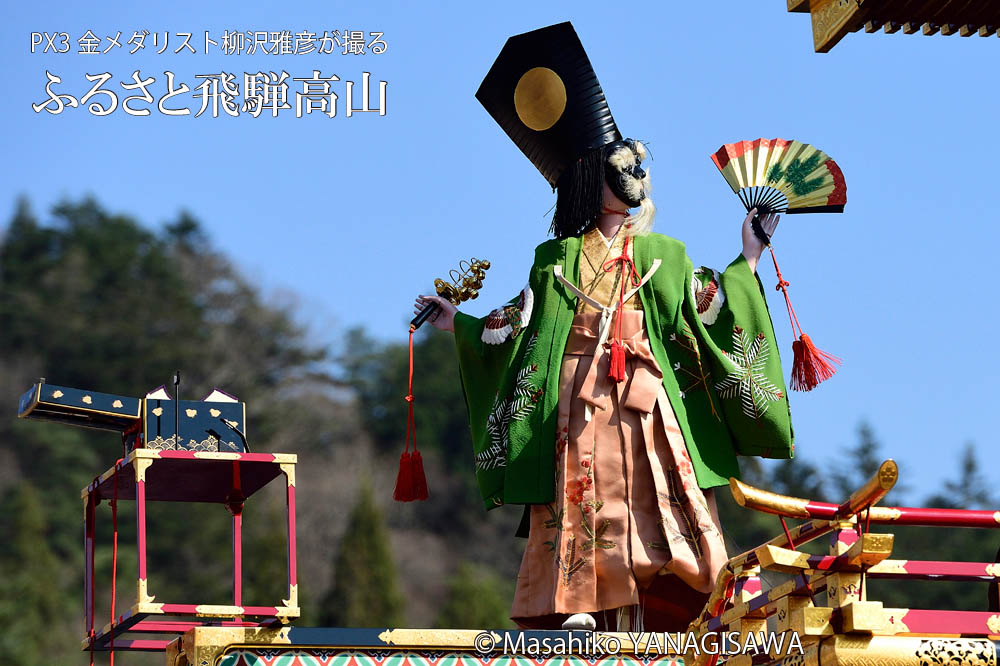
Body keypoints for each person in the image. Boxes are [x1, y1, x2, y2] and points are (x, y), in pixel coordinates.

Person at [414, 22, 794, 630]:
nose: (636, 180)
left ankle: (697, 592)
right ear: (594, 179)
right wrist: (459, 322)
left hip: (649, 397)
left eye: (639, 168)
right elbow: (518, 324)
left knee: (663, 491)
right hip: (577, 397)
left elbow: (710, 306)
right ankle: (580, 602)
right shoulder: (555, 261)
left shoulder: (663, 254)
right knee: (582, 494)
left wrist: (747, 257)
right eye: (623, 169)